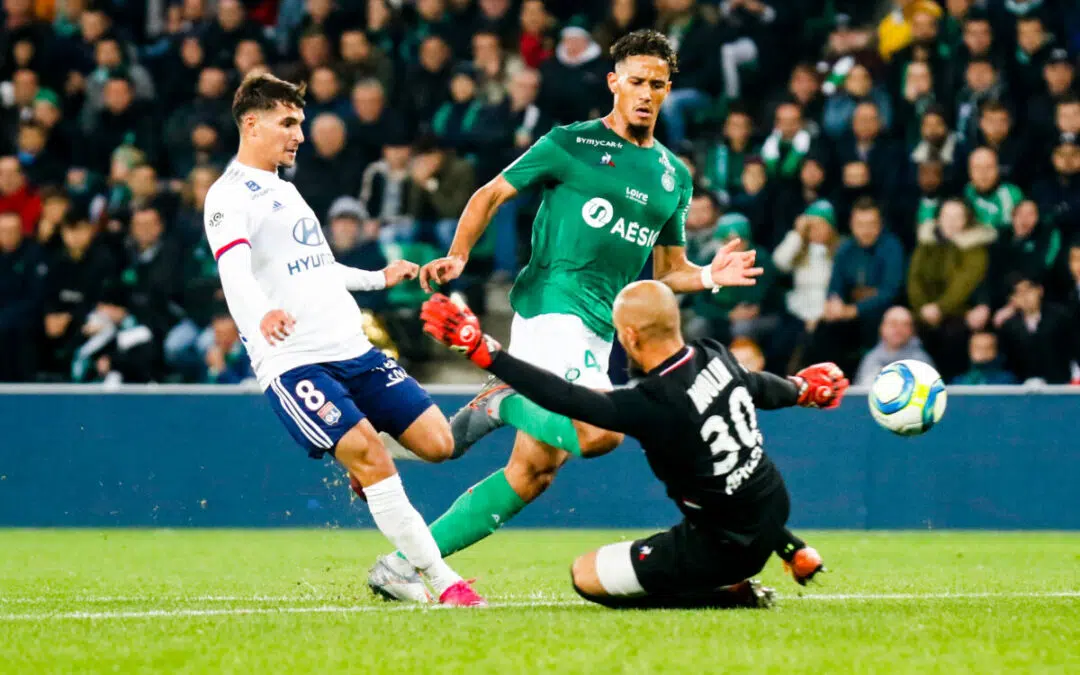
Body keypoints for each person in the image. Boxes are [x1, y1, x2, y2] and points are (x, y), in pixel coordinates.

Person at [368, 30, 766, 599]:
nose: (646, 93)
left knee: (533, 472)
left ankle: (403, 566)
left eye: (657, 84)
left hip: (600, 327)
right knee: (601, 432)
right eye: (636, 82)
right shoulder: (570, 143)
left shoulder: (673, 175)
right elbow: (490, 194)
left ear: (667, 89)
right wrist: (459, 254)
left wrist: (707, 275)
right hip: (553, 307)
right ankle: (505, 400)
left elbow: (667, 270)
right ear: (614, 83)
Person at [203, 72, 484, 607]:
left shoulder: (285, 189)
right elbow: (233, 271)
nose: (299, 135)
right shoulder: (228, 196)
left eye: (300, 124)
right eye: (288, 123)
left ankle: (362, 464)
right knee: (373, 456)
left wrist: (378, 279)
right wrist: (262, 315)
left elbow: (317, 266)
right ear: (251, 124)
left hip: (353, 349)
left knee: (438, 444)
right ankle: (442, 581)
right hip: (295, 361)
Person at [418, 283, 846, 609]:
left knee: (586, 575)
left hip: (722, 548)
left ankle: (728, 595)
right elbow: (759, 386)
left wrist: (486, 353)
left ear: (630, 336)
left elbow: (567, 399)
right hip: (773, 508)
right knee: (733, 481)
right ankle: (789, 549)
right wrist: (801, 388)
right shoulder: (714, 354)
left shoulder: (653, 403)